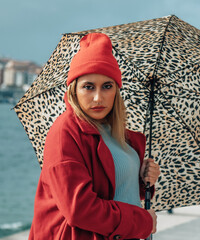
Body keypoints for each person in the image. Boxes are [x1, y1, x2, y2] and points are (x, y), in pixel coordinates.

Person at [29, 33, 160, 240]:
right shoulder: (65, 133)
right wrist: (142, 221)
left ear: (116, 91)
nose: (98, 97)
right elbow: (79, 209)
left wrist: (141, 178)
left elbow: (113, 188)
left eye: (107, 86)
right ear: (74, 90)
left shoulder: (120, 135)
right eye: (88, 87)